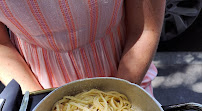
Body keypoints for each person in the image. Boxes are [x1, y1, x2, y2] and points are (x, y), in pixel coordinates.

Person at [0, 0, 165, 95]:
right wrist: (40, 102)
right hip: (32, 78)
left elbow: (144, 28)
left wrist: (116, 97)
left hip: (123, 69)